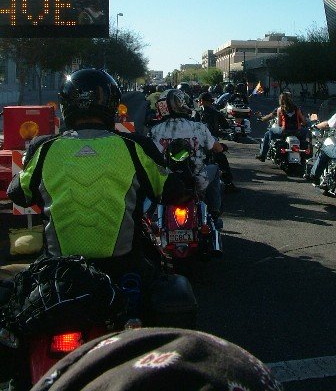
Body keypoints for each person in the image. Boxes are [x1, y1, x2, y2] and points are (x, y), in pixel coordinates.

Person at [7, 69, 184, 323]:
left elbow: (18, 194)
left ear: (66, 106)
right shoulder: (135, 147)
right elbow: (173, 192)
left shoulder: (44, 149)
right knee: (166, 300)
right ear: (112, 105)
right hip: (125, 272)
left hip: (59, 275)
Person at [30, 327, 283, 390]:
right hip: (124, 262)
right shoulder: (129, 187)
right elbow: (157, 190)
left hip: (64, 265)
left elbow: (21, 191)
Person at [150, 89, 224, 226]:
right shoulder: (198, 127)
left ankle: (147, 217)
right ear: (182, 104)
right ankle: (214, 212)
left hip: (165, 183)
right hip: (196, 182)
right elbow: (217, 148)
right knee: (215, 168)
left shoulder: (155, 130)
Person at [196, 92, 240, 193]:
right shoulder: (216, 113)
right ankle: (229, 184)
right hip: (211, 141)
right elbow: (226, 126)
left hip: (196, 142)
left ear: (201, 101)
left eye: (198, 101)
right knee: (222, 159)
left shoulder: (196, 113)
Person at [255, 92, 306, 162]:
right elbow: (303, 121)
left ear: (281, 100)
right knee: (306, 132)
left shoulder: (280, 109)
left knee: (268, 133)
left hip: (284, 131)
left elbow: (279, 124)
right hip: (296, 131)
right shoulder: (297, 109)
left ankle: (263, 155)